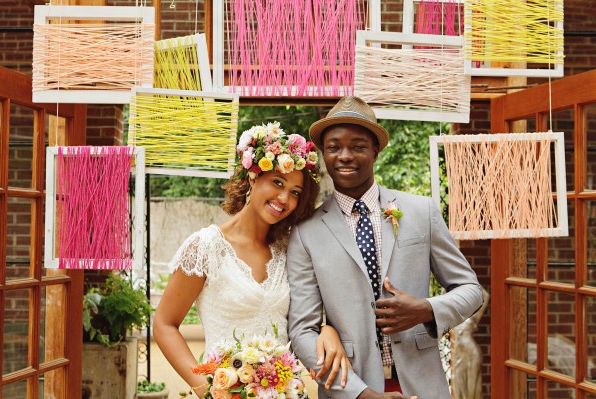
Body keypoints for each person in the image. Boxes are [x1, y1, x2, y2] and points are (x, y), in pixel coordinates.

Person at [287, 96, 484, 399]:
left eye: (359, 146)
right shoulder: (305, 232)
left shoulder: (421, 211)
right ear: (323, 154)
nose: (345, 156)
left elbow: (470, 289)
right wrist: (362, 394)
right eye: (334, 147)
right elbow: (302, 331)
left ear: (376, 151)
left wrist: (426, 309)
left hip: (423, 386)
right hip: (350, 389)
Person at [154, 122, 352, 398]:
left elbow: (301, 320)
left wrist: (326, 329)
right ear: (252, 178)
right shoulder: (206, 247)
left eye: (295, 192)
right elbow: (164, 324)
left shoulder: (291, 251)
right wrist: (209, 390)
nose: (284, 198)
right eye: (278, 182)